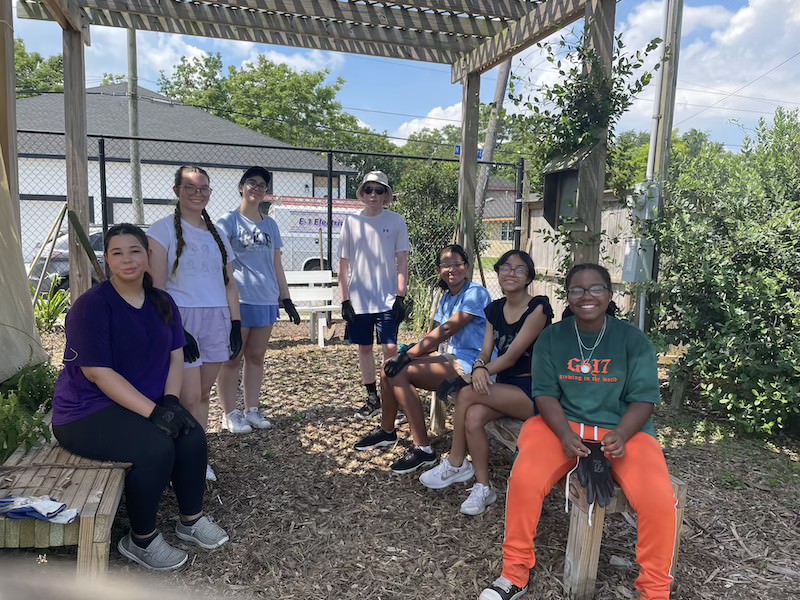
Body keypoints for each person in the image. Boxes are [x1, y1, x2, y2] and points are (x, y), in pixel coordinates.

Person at [479, 263, 678, 600]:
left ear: (609, 294)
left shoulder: (632, 340)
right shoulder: (553, 338)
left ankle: (655, 592)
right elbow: (544, 394)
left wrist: (623, 433)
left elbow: (645, 399)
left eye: (596, 288)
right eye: (577, 290)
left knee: (659, 499)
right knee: (525, 480)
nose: (587, 296)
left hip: (624, 430)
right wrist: (564, 434)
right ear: (567, 297)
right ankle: (514, 574)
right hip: (562, 424)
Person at [52, 224, 229, 571]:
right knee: (155, 447)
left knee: (191, 435)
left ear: (148, 256)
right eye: (117, 253)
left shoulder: (162, 301)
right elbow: (97, 374)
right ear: (107, 261)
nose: (127, 259)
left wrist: (171, 402)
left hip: (140, 403)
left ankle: (190, 520)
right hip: (86, 412)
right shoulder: (92, 306)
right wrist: (153, 413)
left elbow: (176, 355)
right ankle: (141, 539)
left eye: (135, 251)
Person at [419, 250, 553, 515]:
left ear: (528, 277)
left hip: (534, 391)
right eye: (505, 268)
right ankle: (483, 488)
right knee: (474, 417)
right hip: (504, 387)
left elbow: (513, 355)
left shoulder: (538, 308)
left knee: (466, 395)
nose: (510, 273)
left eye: (518, 269)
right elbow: (485, 351)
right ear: (498, 273)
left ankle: (456, 461)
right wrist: (480, 366)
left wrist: (480, 372)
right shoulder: (494, 309)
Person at [354, 244, 492, 474]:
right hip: (451, 358)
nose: (451, 269)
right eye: (445, 265)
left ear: (466, 267)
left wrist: (409, 355)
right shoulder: (448, 297)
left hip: (474, 365)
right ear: (439, 270)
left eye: (457, 264)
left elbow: (448, 329)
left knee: (401, 372)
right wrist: (408, 351)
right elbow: (435, 336)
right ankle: (387, 431)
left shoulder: (475, 293)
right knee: (389, 368)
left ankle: (424, 450)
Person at [148, 165, 242, 482]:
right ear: (177, 191)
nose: (197, 193)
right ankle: (178, 459)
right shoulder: (160, 231)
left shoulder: (218, 235)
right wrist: (176, 328)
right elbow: (157, 288)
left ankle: (198, 458)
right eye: (190, 187)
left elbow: (229, 283)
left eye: (203, 188)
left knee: (202, 394)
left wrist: (235, 323)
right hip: (181, 318)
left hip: (216, 317)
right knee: (186, 397)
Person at [215, 166, 301, 434]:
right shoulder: (227, 222)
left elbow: (277, 264)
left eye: (262, 185)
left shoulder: (271, 225)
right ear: (241, 186)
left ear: (267, 193)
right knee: (232, 358)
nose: (256, 188)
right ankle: (229, 413)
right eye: (251, 183)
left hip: (265, 300)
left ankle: (252, 409)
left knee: (256, 357)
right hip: (238, 301)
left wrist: (286, 298)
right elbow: (219, 263)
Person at [338, 171, 410, 419]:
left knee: (390, 348)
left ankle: (392, 398)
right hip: (359, 299)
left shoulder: (397, 221)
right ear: (361, 193)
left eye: (379, 190)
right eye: (368, 190)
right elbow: (344, 265)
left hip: (388, 298)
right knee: (365, 349)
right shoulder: (351, 222)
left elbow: (402, 260)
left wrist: (401, 295)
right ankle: (372, 398)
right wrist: (345, 299)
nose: (373, 195)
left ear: (386, 195)